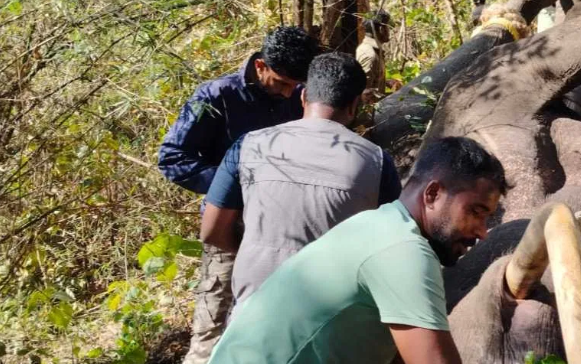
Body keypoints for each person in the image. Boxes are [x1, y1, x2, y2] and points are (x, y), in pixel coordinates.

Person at [207, 137, 507, 364]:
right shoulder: (402, 250)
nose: (481, 231)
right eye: (476, 212)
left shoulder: (376, 224)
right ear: (433, 193)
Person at [158, 26, 319, 364]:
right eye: (283, 83)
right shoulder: (215, 97)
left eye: (297, 85)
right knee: (212, 327)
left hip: (287, 226)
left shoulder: (302, 94)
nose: (291, 93)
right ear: (260, 66)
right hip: (230, 225)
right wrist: (231, 186)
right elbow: (173, 157)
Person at [200, 52, 402, 306]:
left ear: (304, 96)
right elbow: (393, 245)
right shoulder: (377, 161)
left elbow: (210, 230)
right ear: (354, 105)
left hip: (252, 313)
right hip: (330, 316)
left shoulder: (249, 145)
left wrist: (255, 252)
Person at [356, 9, 391, 100]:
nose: (389, 30)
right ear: (381, 29)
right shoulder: (370, 55)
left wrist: (385, 82)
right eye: (387, 27)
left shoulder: (374, 51)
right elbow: (364, 94)